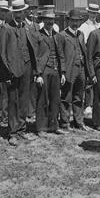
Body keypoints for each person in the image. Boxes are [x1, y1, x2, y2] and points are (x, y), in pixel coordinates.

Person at [0, 0, 38, 143]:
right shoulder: (7, 28)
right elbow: (2, 53)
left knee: (24, 100)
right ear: (13, 13)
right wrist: (6, 73)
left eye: (21, 12)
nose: (19, 15)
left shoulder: (26, 27)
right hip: (13, 70)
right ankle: (12, 133)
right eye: (16, 12)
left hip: (27, 68)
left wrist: (35, 69)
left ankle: (22, 129)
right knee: (13, 101)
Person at [58, 8, 93, 131]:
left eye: (77, 21)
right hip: (69, 70)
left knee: (79, 97)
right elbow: (60, 56)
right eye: (73, 20)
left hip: (81, 70)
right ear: (68, 20)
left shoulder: (81, 34)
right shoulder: (62, 35)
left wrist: (88, 71)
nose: (75, 23)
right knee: (66, 97)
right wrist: (62, 72)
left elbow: (85, 52)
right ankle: (64, 123)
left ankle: (79, 122)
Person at [34, 10, 65, 138]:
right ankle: (41, 127)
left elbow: (61, 55)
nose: (50, 22)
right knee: (42, 99)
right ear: (43, 21)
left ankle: (54, 125)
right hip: (44, 71)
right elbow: (35, 56)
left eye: (52, 20)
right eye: (47, 20)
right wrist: (38, 74)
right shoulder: (38, 36)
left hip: (55, 70)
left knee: (55, 99)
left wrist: (62, 72)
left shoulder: (57, 36)